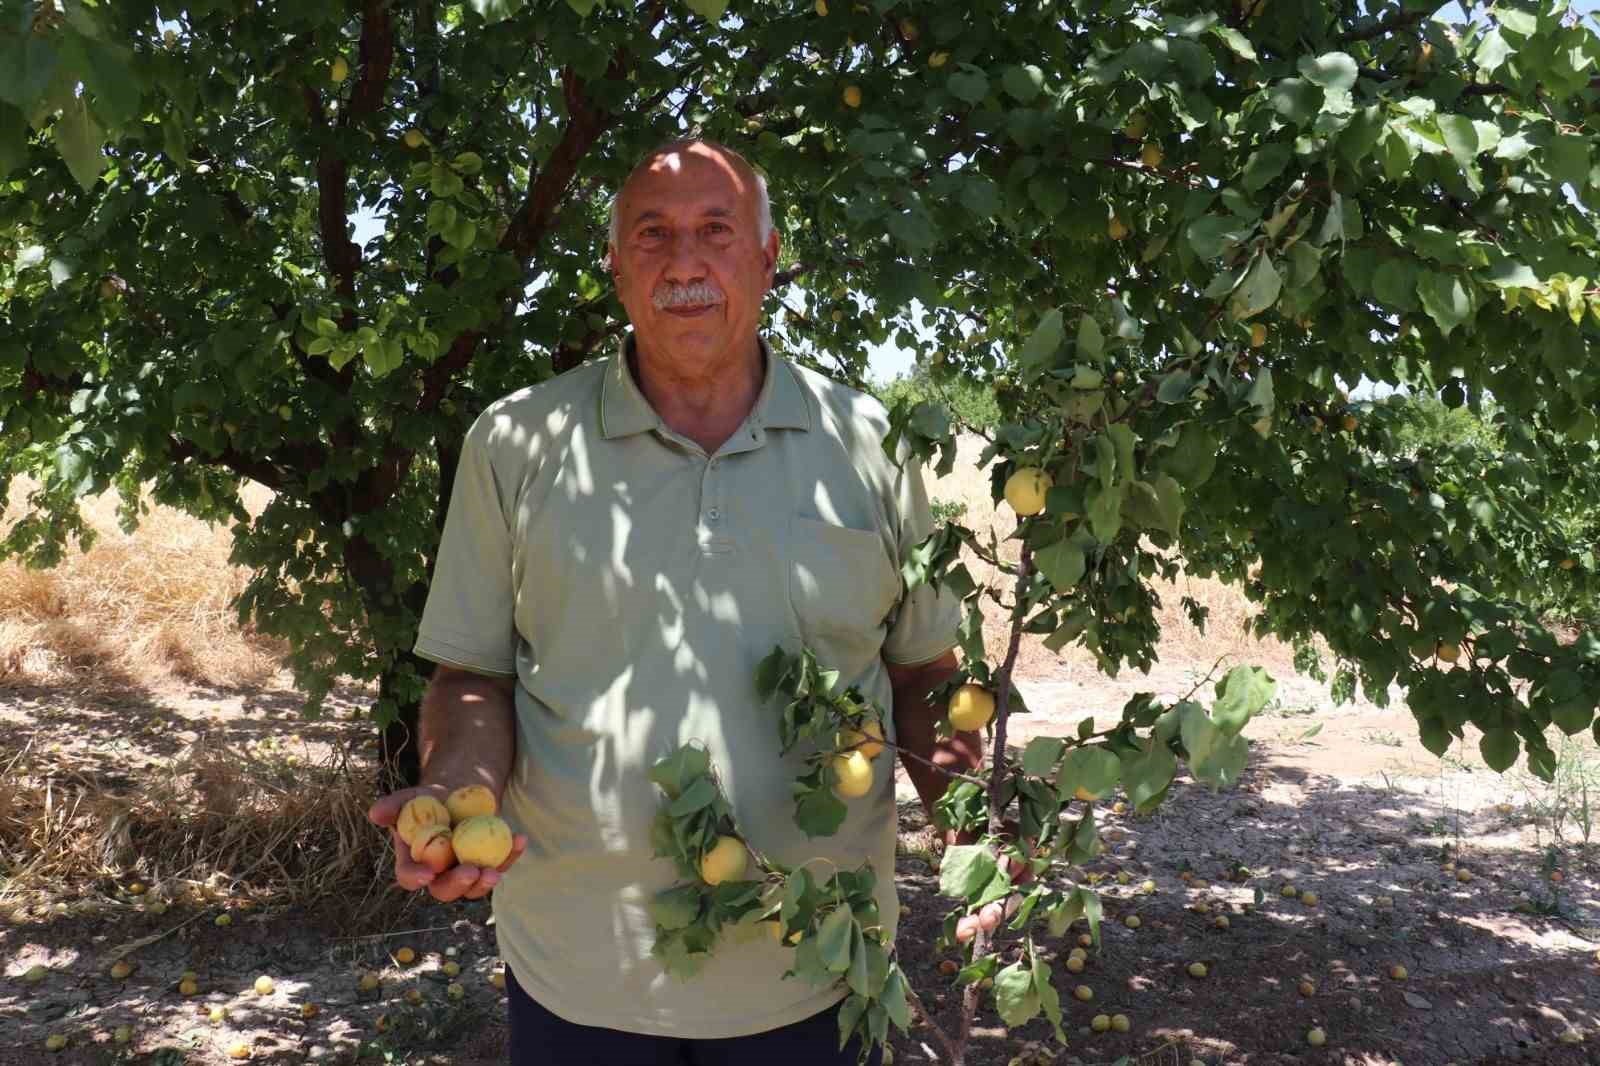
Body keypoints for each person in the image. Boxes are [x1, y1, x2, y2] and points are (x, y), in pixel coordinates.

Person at [368, 139, 985, 1065]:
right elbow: (473, 677)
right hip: (579, 973)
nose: (684, 261)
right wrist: (461, 790)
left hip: (819, 965)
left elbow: (927, 678)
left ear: (769, 259)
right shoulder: (516, 442)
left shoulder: (873, 448)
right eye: (652, 235)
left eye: (715, 231)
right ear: (614, 267)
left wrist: (987, 832)